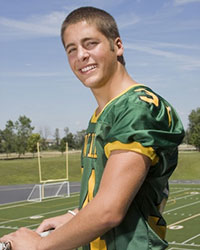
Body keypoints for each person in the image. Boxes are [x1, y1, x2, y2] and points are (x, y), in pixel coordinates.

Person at [0, 6, 185, 250]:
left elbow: (109, 210)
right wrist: (75, 217)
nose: (81, 55)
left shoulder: (136, 108)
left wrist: (37, 246)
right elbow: (115, 193)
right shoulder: (103, 112)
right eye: (71, 49)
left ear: (117, 46)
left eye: (90, 44)